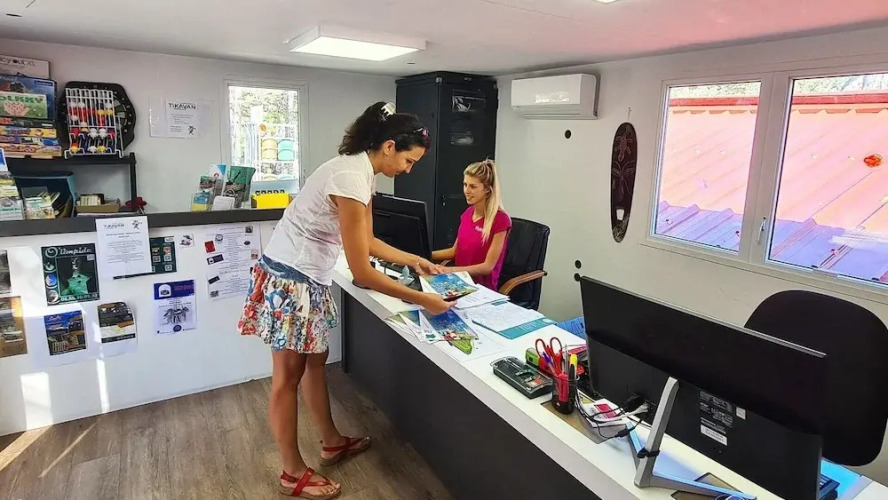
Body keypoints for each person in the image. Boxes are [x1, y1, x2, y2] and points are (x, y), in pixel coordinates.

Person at [237, 102, 454, 500]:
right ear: (389, 146)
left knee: (315, 361)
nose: (409, 170)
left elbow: (367, 241)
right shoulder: (350, 177)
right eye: (409, 160)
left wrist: (414, 260)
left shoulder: (360, 172)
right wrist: (423, 300)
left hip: (309, 277)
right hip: (292, 278)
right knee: (287, 377)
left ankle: (332, 441)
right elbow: (363, 272)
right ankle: (291, 472)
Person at [432, 159, 512, 291]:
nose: (466, 191)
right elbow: (454, 251)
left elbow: (487, 267)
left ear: (487, 189)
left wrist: (449, 270)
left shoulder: (501, 220)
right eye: (465, 185)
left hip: (481, 289)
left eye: (473, 187)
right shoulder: (468, 213)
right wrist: (424, 255)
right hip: (458, 283)